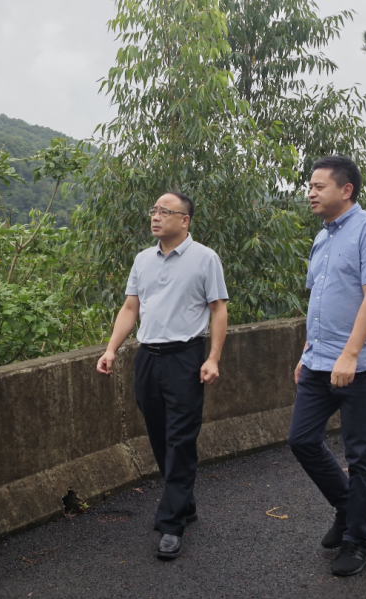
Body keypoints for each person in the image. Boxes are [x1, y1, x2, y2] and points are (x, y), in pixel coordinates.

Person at [96, 191, 228, 560]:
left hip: (185, 357)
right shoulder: (143, 260)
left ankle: (172, 523)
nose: (156, 217)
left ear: (184, 220)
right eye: (154, 210)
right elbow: (130, 307)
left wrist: (213, 358)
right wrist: (111, 349)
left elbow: (218, 310)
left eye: (165, 212)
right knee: (158, 435)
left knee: (181, 439)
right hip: (147, 358)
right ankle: (183, 502)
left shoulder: (205, 259)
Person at [287, 156, 366, 577]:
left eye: (318, 186)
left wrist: (350, 354)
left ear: (346, 189)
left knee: (361, 453)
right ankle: (347, 504)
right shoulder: (322, 237)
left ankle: (357, 538)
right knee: (301, 439)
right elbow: (320, 301)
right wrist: (306, 351)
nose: (310, 192)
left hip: (361, 362)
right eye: (309, 186)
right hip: (318, 359)